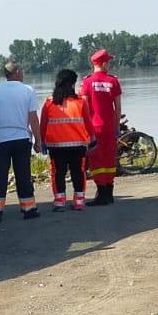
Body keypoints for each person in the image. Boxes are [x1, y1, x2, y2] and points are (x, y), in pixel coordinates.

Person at [0, 61, 41, 221]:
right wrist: (38, 140)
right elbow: (33, 119)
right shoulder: (28, 90)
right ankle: (29, 210)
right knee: (23, 175)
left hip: (0, 140)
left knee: (0, 176)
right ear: (17, 72)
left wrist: (2, 119)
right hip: (21, 138)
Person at [40, 69, 96, 211]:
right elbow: (88, 122)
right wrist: (93, 138)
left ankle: (59, 202)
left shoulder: (49, 102)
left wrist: (41, 141)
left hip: (56, 146)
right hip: (78, 145)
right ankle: (79, 201)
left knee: (58, 173)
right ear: (72, 84)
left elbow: (43, 124)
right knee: (78, 172)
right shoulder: (80, 101)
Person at [80, 48, 123, 206]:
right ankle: (109, 193)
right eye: (108, 62)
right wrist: (116, 126)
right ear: (103, 63)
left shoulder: (87, 82)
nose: (109, 65)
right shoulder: (113, 81)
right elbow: (118, 107)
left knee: (96, 160)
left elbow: (84, 107)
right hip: (109, 127)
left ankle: (101, 193)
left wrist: (85, 128)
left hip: (94, 127)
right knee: (109, 158)